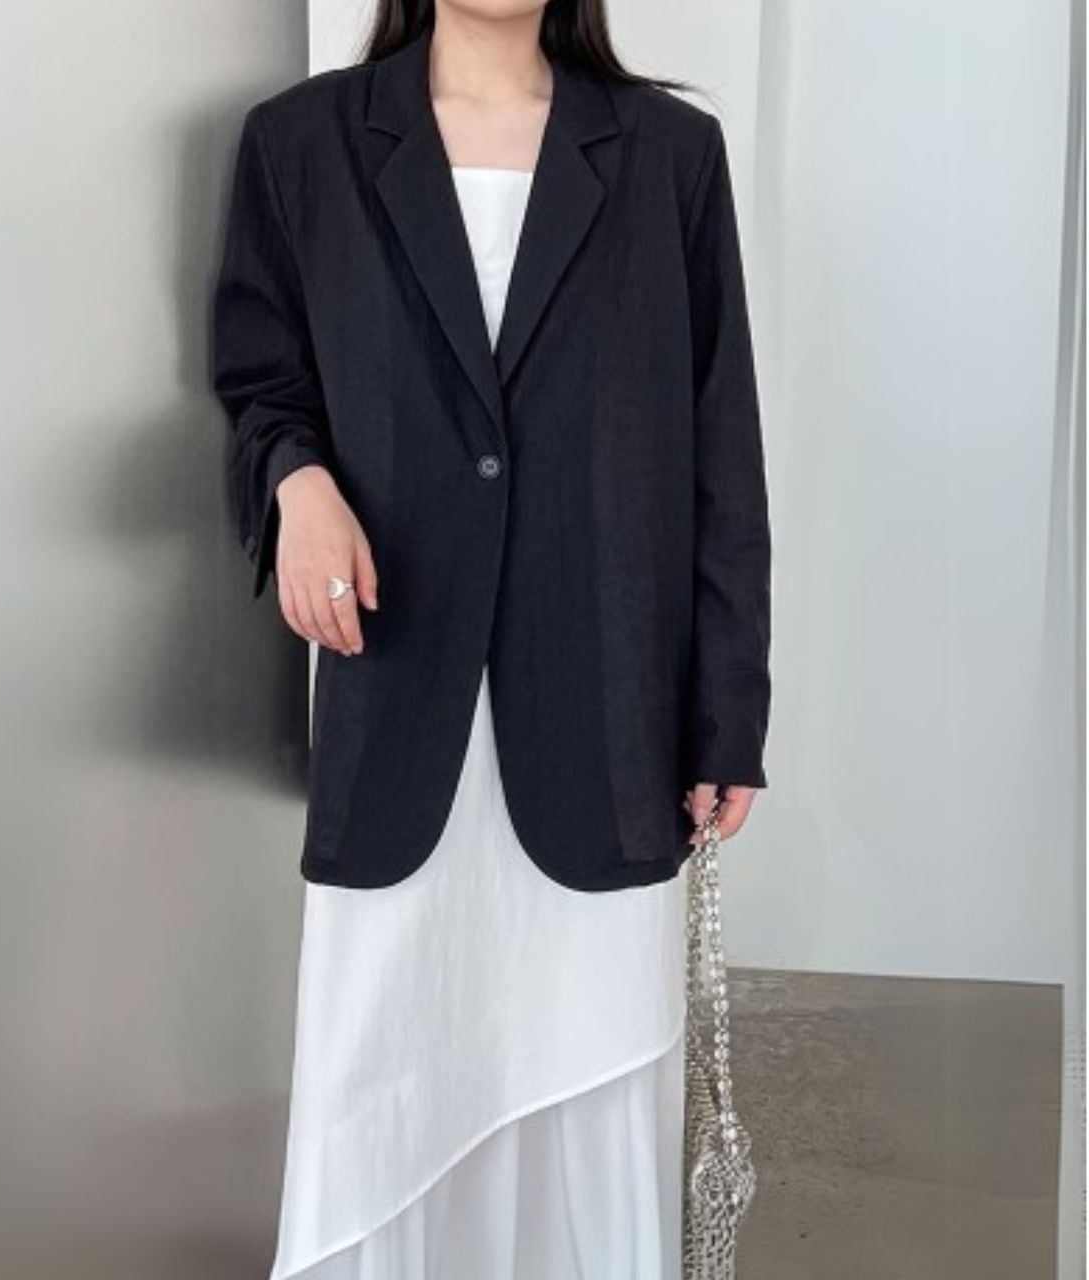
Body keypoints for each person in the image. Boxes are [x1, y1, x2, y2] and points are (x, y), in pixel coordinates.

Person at [210, 1, 772, 1275]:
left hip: (606, 692)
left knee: (589, 1058)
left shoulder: (666, 154)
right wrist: (297, 481)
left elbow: (720, 449)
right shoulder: (300, 143)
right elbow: (258, 375)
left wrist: (725, 709)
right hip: (396, 676)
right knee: (384, 1063)